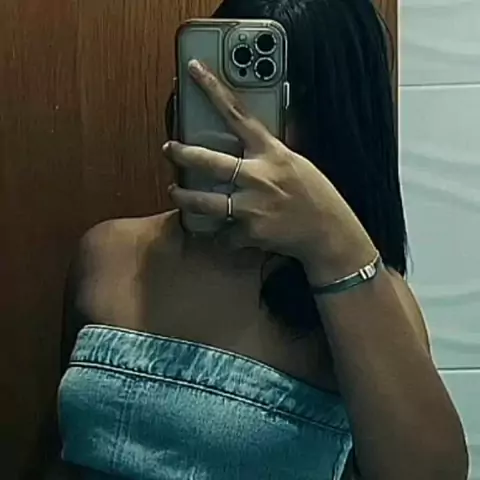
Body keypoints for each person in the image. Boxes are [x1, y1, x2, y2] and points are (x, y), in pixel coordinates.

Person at [46, 0, 468, 479]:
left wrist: (334, 243)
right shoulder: (108, 254)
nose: (235, 118)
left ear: (335, 123)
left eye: (266, 95)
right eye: (214, 85)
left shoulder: (363, 299)